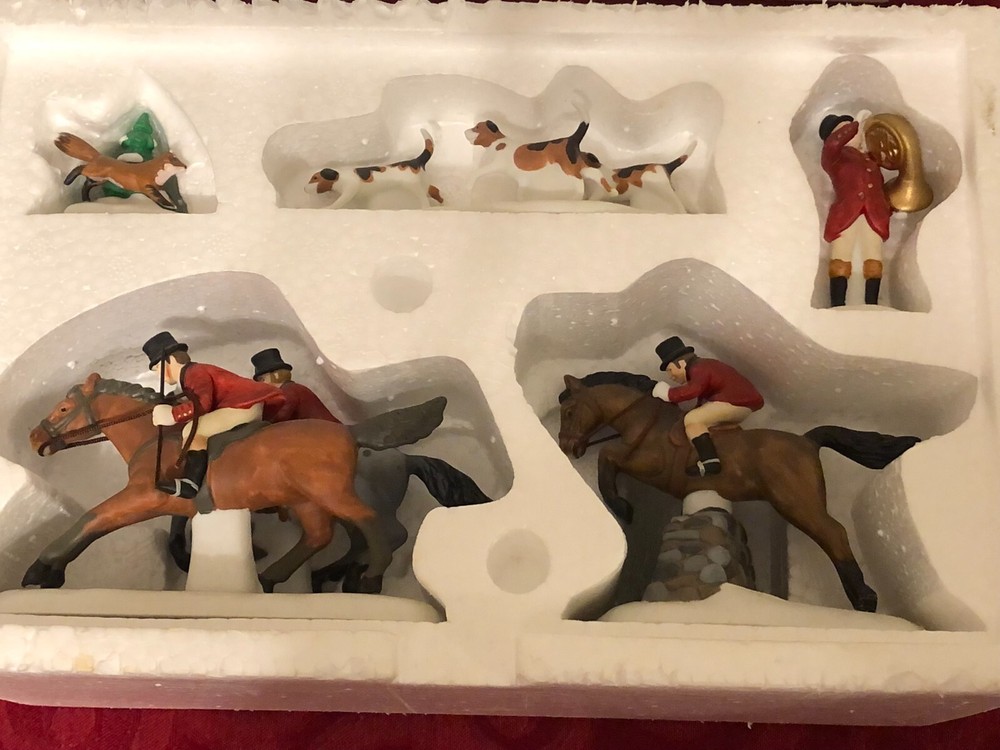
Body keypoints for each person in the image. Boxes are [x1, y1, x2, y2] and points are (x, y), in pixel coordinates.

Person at [143, 331, 286, 499]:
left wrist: (173, 415)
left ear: (171, 360)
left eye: (158, 368)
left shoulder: (194, 372)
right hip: (244, 406)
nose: (157, 374)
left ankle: (191, 483)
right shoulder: (187, 376)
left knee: (192, 429)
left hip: (241, 406)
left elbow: (202, 403)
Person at [652, 336, 764, 477]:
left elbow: (692, 391)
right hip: (739, 403)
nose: (670, 376)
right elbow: (704, 398)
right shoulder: (703, 366)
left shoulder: (699, 368)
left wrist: (668, 394)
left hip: (734, 401)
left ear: (680, 363)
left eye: (670, 370)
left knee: (692, 419)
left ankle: (709, 461)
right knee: (700, 417)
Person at [819, 110, 891, 307]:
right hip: (846, 214)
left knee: (874, 260)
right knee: (840, 258)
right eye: (844, 130)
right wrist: (855, 125)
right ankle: (837, 303)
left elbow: (879, 187)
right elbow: (833, 144)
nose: (855, 133)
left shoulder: (870, 159)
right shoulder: (834, 157)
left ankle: (872, 304)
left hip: (874, 214)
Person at [250, 347, 342, 423]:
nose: (261, 384)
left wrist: (265, 425)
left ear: (275, 375)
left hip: (325, 431)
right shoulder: (292, 388)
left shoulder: (290, 390)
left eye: (262, 379)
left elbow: (282, 415)